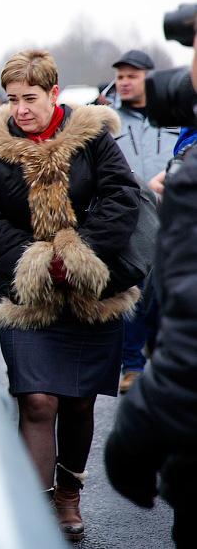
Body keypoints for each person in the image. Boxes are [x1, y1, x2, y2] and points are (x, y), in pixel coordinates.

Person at [0, 49, 139, 542]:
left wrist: (80, 254)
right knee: (38, 401)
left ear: (54, 94)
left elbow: (121, 196)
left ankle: (69, 495)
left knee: (78, 403)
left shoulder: (92, 136)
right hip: (26, 296)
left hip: (94, 290)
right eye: (13, 99)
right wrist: (38, 263)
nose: (20, 109)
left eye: (30, 98)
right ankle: (35, 507)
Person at [105, 38, 197, 547]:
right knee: (139, 302)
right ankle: (130, 362)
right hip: (139, 225)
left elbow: (188, 343)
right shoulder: (108, 119)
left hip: (170, 227)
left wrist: (137, 431)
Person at [110, 49, 180, 393]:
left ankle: (161, 351)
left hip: (174, 214)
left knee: (169, 289)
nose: (124, 82)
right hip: (132, 218)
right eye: (120, 76)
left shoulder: (173, 114)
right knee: (134, 289)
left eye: (132, 76)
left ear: (148, 78)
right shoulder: (108, 120)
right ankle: (132, 364)